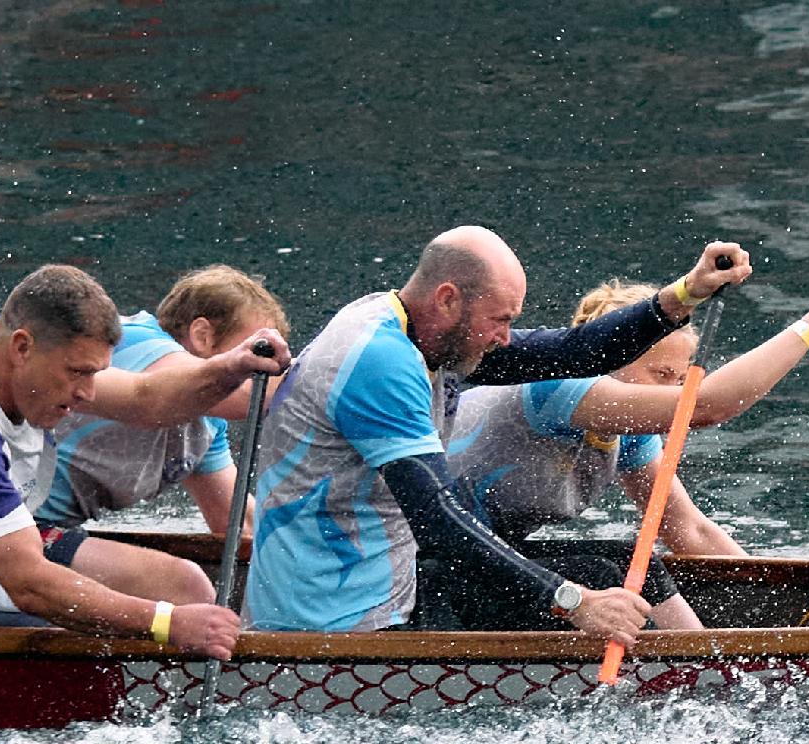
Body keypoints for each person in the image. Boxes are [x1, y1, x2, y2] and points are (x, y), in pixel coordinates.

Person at [240, 229, 755, 641]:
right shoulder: (379, 360)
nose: (506, 337)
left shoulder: (424, 332)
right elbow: (442, 521)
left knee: (612, 566)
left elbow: (573, 351)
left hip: (393, 581)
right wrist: (572, 600)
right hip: (335, 623)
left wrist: (687, 292)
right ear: (448, 299)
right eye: (501, 319)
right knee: (595, 579)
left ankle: (704, 665)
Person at [0, 263, 285, 652]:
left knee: (177, 588)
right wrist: (168, 625)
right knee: (104, 638)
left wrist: (232, 365)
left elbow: (144, 397)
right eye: (77, 373)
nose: (87, 394)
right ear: (22, 347)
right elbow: (32, 585)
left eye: (96, 373)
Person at [443, 274, 809, 631]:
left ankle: (708, 663)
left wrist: (795, 605)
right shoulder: (558, 387)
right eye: (662, 375)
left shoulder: (629, 432)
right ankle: (704, 674)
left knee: (632, 563)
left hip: (485, 560)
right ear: (612, 355)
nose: (672, 392)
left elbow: (690, 533)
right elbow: (707, 405)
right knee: (607, 575)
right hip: (427, 570)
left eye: (680, 378)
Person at [33, 265, 283, 599]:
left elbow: (238, 524)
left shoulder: (206, 424)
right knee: (186, 586)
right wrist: (326, 372)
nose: (265, 367)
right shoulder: (133, 340)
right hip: (3, 531)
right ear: (202, 335)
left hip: (51, 533)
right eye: (259, 352)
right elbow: (245, 398)